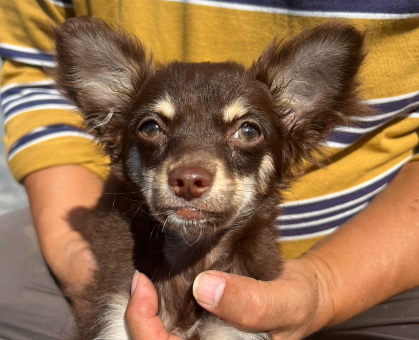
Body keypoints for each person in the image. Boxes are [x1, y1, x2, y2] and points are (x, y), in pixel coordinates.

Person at [0, 1, 418, 339]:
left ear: (296, 128)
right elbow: (31, 72)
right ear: (113, 126)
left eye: (247, 131)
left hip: (379, 262)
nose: (190, 172)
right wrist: (77, 262)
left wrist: (325, 286)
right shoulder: (114, 281)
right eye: (152, 126)